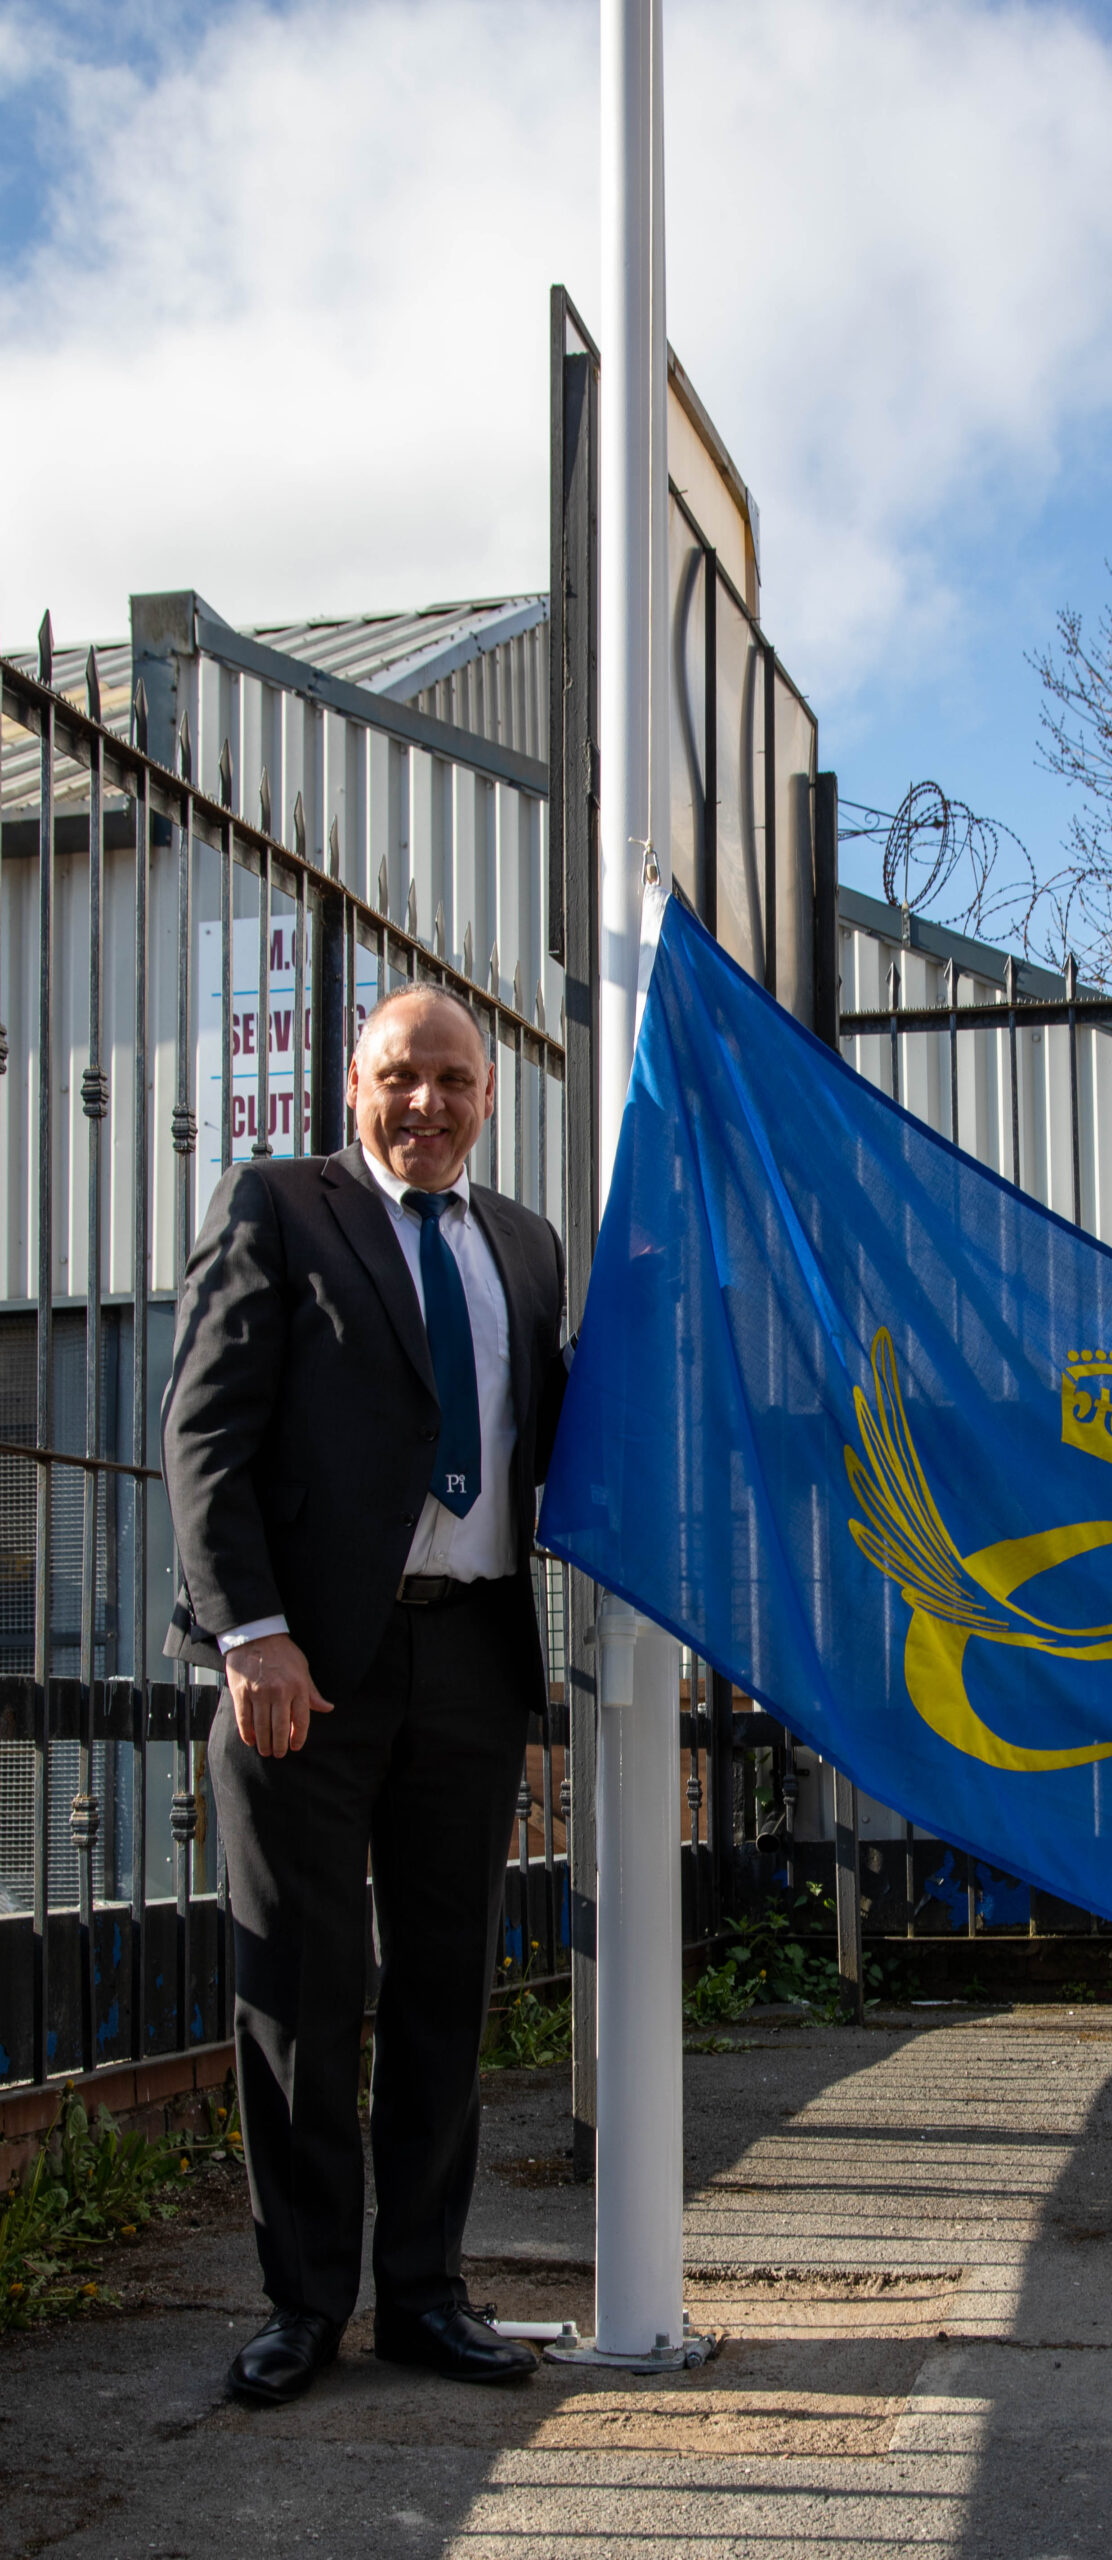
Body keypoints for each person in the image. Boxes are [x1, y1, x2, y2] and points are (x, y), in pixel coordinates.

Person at [162, 985, 568, 2406]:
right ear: (355, 1085)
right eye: (404, 1077)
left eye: (456, 1081)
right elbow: (204, 1432)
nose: (431, 1105)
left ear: (490, 1099)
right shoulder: (279, 1207)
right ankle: (302, 2304)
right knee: (302, 1993)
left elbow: (554, 1439)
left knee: (448, 1987)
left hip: (470, 1656)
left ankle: (426, 2294)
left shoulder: (526, 1247)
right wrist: (250, 1633)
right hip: (304, 1672)